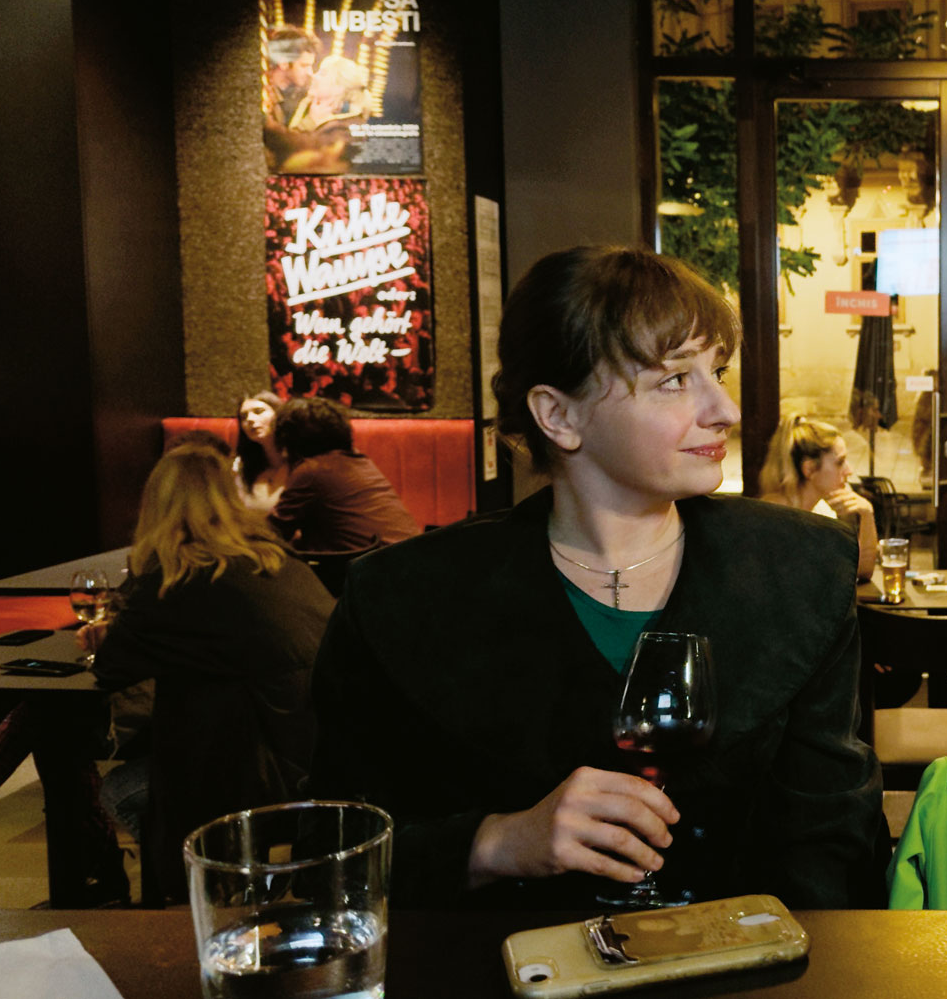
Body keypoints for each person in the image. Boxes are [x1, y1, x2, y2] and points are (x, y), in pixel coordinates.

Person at [309, 246, 888, 911]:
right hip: (501, 958)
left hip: (758, 958)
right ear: (558, 415)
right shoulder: (403, 599)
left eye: (718, 372)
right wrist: (495, 842)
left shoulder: (802, 567)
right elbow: (329, 851)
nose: (725, 409)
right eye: (676, 379)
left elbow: (833, 835)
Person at [79, 445, 333, 900]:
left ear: (155, 506)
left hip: (262, 778)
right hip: (324, 758)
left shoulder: (178, 578)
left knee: (120, 789)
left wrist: (113, 635)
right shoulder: (278, 561)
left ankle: (206, 894)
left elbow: (113, 666)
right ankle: (244, 884)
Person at [267, 396, 419, 552]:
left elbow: (272, 532)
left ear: (289, 437)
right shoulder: (358, 459)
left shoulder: (313, 471)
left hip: (379, 564)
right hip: (412, 554)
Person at [758, 413, 878, 580]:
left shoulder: (821, 509)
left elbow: (861, 570)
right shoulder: (775, 518)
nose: (849, 471)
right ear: (809, 469)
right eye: (840, 462)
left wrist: (867, 514)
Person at [233, 391, 289, 515]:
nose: (250, 419)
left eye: (258, 411)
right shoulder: (244, 466)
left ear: (279, 414)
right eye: (243, 417)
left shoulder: (301, 463)